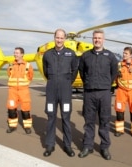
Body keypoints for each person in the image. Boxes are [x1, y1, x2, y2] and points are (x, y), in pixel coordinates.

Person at [78, 29, 118, 160]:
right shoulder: (85, 56)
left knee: (104, 121)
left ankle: (104, 147)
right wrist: (89, 83)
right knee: (88, 121)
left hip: (104, 93)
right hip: (89, 92)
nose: (97, 40)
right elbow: (82, 72)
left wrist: (106, 84)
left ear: (103, 39)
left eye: (99, 38)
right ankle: (87, 146)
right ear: (92, 39)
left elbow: (114, 72)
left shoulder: (110, 56)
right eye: (95, 38)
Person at [42, 29, 79, 157]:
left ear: (65, 39)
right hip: (51, 90)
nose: (59, 40)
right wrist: (53, 80)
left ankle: (67, 145)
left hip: (65, 91)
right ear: (54, 38)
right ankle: (50, 145)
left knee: (66, 118)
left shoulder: (71, 53)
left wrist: (67, 82)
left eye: (62, 38)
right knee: (51, 117)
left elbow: (74, 70)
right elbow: (46, 71)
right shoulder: (47, 54)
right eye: (57, 37)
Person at [114, 46, 132, 139]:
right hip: (121, 91)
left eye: (126, 53)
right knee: (119, 110)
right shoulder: (119, 65)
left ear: (131, 55)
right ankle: (119, 130)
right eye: (123, 53)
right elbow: (115, 78)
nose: (124, 55)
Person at [6, 47, 34, 134]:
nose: (15, 54)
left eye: (17, 53)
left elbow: (30, 76)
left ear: (22, 54)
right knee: (11, 109)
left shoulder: (28, 65)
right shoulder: (10, 65)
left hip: (24, 91)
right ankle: (12, 126)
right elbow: (9, 75)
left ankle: (27, 127)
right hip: (12, 91)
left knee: (25, 110)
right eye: (14, 53)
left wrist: (23, 85)